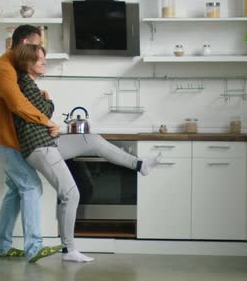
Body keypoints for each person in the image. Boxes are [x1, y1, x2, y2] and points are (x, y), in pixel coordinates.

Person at [11, 44, 162, 262]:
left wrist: (44, 102)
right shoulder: (26, 85)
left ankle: (140, 165)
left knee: (91, 139)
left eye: (44, 59)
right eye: (39, 60)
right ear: (27, 63)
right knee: (71, 194)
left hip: (46, 142)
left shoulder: (30, 85)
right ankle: (68, 250)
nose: (44, 63)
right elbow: (43, 111)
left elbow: (40, 113)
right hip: (40, 147)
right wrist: (48, 100)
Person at [0, 25, 63, 263]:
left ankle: (0, 247)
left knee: (16, 190)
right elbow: (18, 104)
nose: (38, 53)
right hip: (1, 138)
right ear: (25, 43)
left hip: (6, 137)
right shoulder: (3, 69)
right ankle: (34, 248)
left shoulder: (13, 66)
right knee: (31, 186)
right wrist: (47, 121)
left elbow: (26, 101)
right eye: (36, 46)